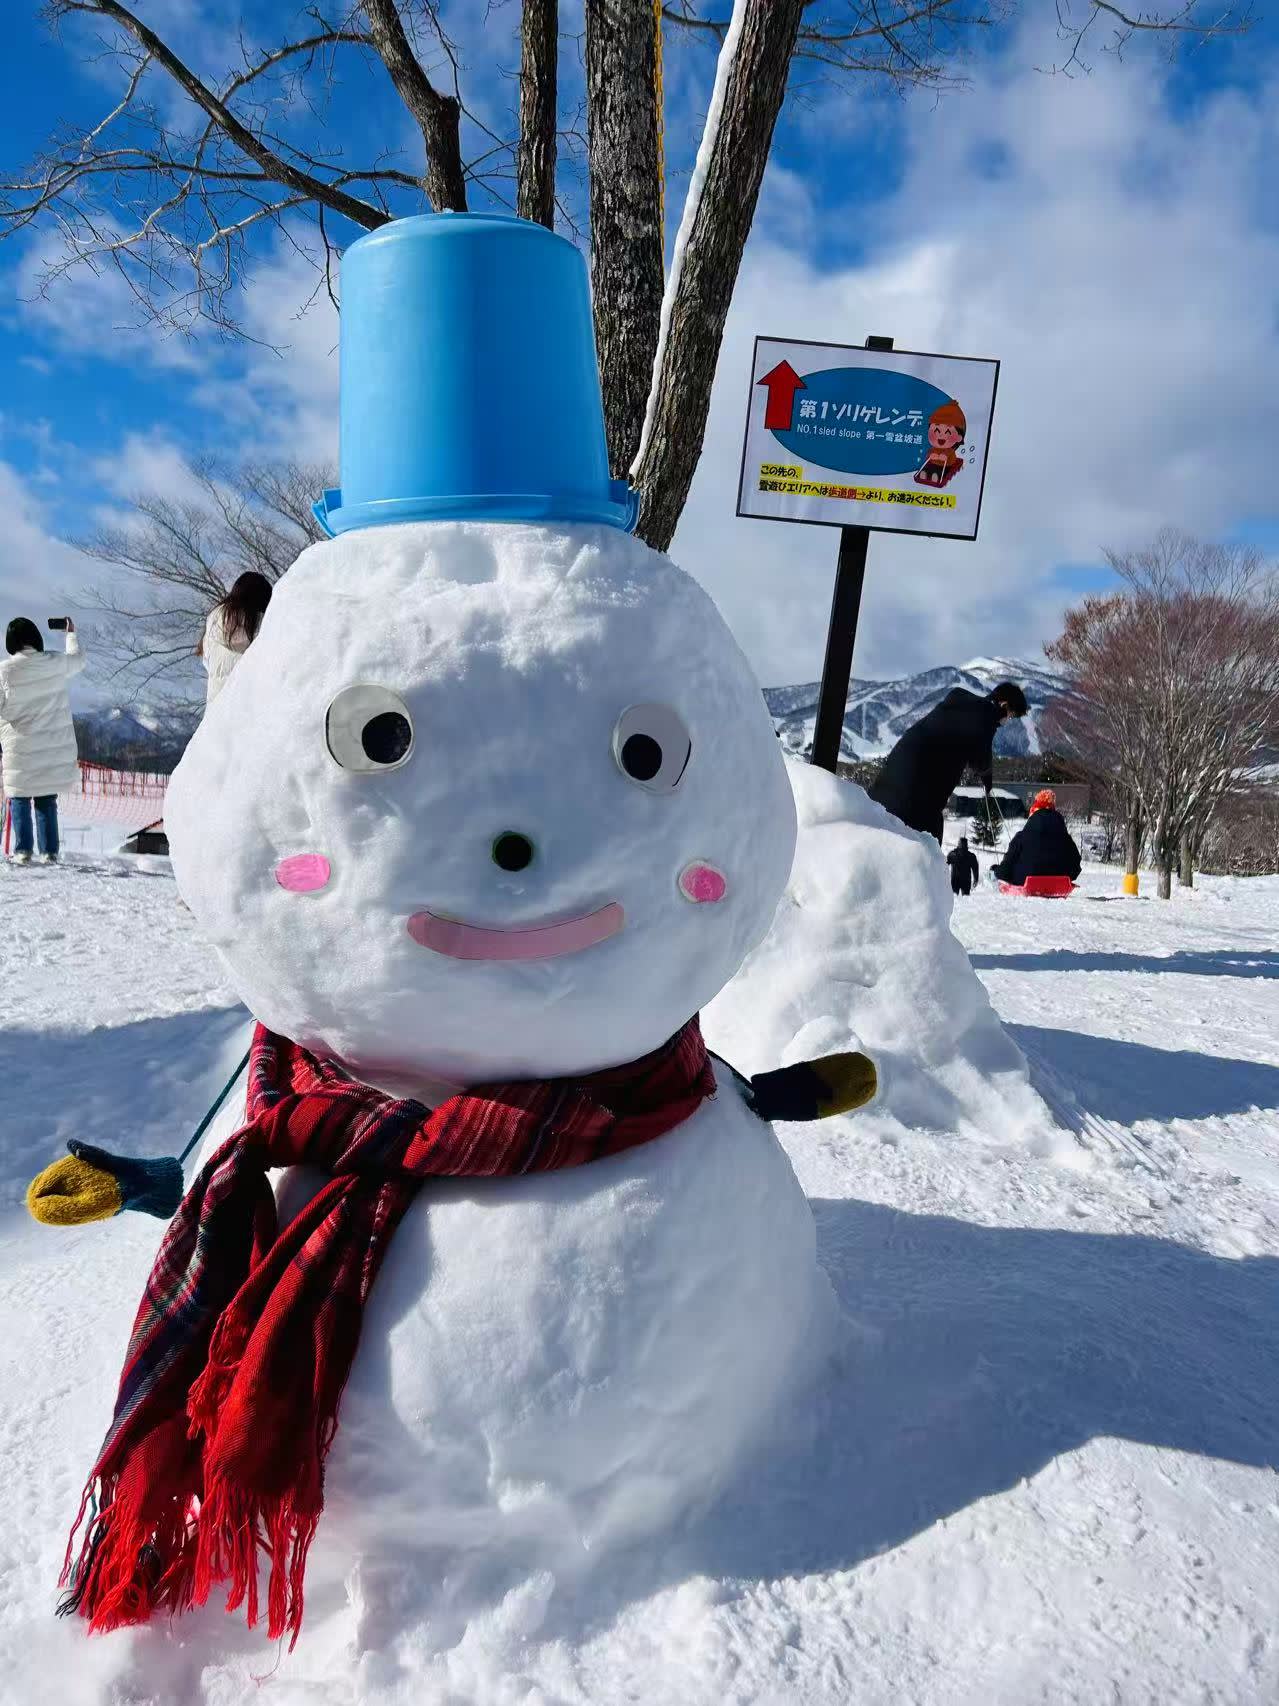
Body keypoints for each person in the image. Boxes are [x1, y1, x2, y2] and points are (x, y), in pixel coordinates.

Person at [867, 680, 1028, 843]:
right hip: (920, 789)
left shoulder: (961, 703)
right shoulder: (986, 716)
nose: (1007, 720)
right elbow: (981, 760)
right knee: (925, 841)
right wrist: (988, 781)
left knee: (883, 825)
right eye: (1010, 715)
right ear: (1004, 705)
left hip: (895, 773)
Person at [0, 616, 85, 865]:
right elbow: (78, 660)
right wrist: (70, 634)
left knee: (19, 797)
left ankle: (23, 851)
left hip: (18, 746)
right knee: (46, 798)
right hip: (50, 748)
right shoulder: (54, 662)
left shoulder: (4, 671)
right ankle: (49, 852)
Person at [197, 571, 273, 705]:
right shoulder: (264, 627)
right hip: (248, 706)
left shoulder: (213, 622)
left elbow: (207, 662)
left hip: (216, 709)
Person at [992, 788, 1082, 887]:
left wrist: (996, 870)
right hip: (1058, 883)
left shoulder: (1022, 837)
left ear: (1033, 812)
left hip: (1025, 881)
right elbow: (1076, 867)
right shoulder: (1066, 839)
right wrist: (1064, 875)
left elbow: (1004, 871)